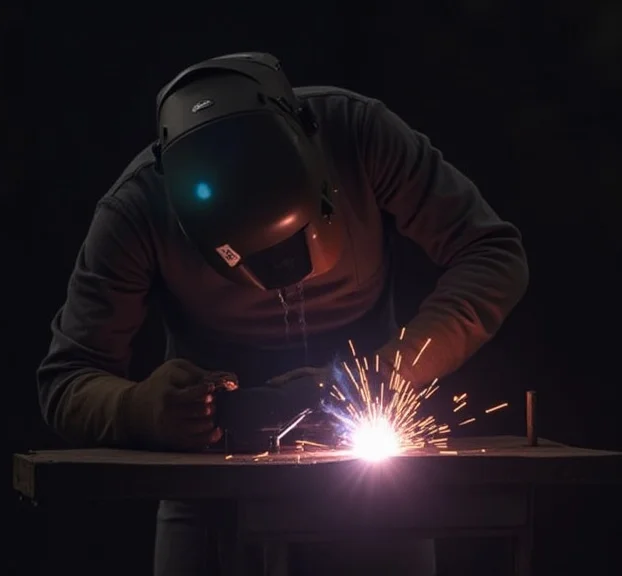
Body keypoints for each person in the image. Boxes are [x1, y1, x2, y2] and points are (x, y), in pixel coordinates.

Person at [37, 52, 529, 576]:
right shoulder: (135, 211)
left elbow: (492, 254)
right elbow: (67, 379)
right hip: (212, 488)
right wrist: (139, 409)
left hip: (375, 489)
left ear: (312, 150)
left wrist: (390, 373)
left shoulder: (358, 134)